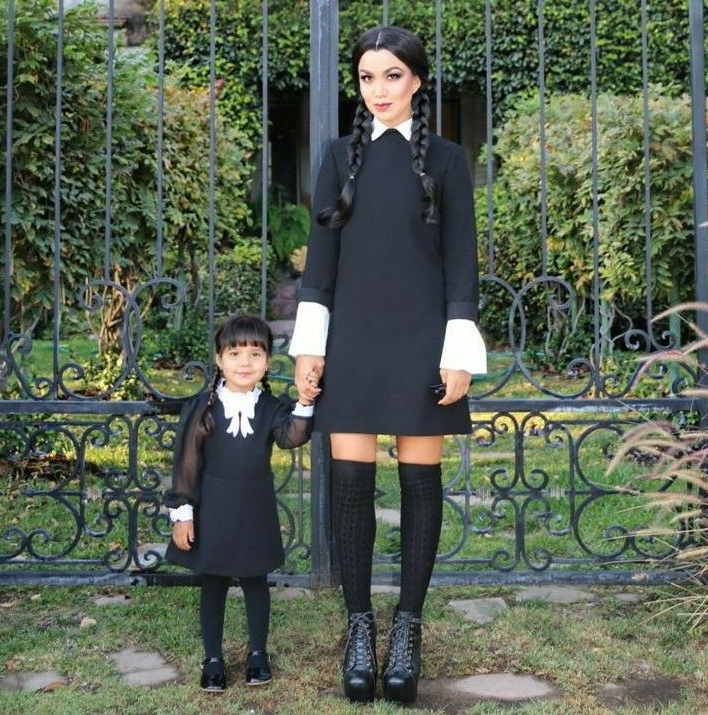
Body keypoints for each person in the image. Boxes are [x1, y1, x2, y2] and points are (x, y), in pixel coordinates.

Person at [289, 25, 486, 705]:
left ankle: (407, 628)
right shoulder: (337, 156)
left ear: (418, 81)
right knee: (350, 485)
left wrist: (459, 351)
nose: (379, 90)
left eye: (393, 76)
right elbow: (321, 265)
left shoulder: (449, 161)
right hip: (352, 343)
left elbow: (463, 263)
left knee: (418, 482)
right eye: (368, 77)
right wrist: (311, 345)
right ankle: (358, 628)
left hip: (424, 342)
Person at [164, 314, 314, 692]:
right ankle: (212, 659)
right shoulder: (202, 407)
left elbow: (291, 437)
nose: (244, 363)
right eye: (234, 353)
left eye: (254, 354)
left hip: (254, 506)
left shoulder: (271, 407)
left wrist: (305, 402)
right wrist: (183, 512)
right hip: (212, 506)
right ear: (219, 359)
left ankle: (257, 654)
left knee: (255, 580)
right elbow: (186, 462)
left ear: (267, 361)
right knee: (212, 581)